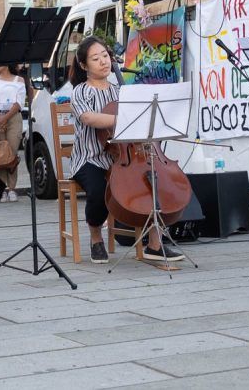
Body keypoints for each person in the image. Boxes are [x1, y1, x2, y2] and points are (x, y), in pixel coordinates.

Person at [68, 36, 184, 264]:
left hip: (124, 157)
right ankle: (95, 238)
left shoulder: (122, 90)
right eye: (95, 58)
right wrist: (122, 118)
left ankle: (154, 244)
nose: (103, 61)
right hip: (90, 158)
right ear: (84, 65)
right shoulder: (81, 91)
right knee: (99, 190)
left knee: (152, 182)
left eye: (105, 56)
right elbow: (89, 118)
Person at [0, 63, 26, 202]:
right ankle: (1, 188)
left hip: (13, 117)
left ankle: (12, 188)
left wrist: (6, 118)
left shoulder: (19, 80)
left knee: (12, 152)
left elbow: (19, 102)